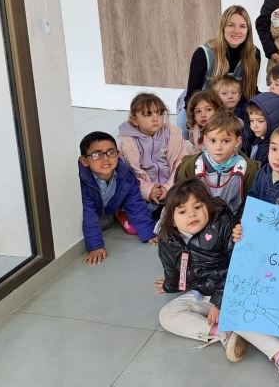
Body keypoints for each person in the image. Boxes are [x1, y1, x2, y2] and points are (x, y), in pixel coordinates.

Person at [156, 180, 279, 387]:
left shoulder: (223, 226)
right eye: (182, 211)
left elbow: (237, 267)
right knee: (167, 315)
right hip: (203, 292)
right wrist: (169, 285)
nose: (192, 215)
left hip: (234, 289)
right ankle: (223, 333)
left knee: (237, 315)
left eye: (198, 207)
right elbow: (174, 270)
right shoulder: (168, 240)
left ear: (208, 207)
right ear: (173, 220)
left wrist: (220, 303)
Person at [178, 5, 261, 139]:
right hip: (206, 105)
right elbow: (193, 95)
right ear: (223, 28)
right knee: (183, 123)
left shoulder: (254, 53)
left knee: (250, 126)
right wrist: (194, 123)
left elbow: (250, 90)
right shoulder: (203, 53)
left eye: (242, 26)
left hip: (235, 103)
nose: (237, 31)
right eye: (231, 25)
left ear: (248, 30)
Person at [78, 131, 157, 265]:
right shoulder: (82, 181)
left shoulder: (126, 174)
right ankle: (118, 213)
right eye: (97, 155)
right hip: (95, 213)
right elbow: (88, 214)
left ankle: (119, 211)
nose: (106, 159)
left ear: (118, 154)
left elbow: (136, 203)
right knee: (95, 223)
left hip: (110, 207)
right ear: (84, 161)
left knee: (145, 210)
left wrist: (148, 232)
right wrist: (95, 246)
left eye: (111, 152)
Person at [118, 93, 189, 215]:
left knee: (189, 201)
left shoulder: (173, 136)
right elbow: (127, 172)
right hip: (144, 189)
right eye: (148, 114)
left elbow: (181, 163)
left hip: (172, 186)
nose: (156, 118)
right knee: (137, 205)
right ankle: (124, 213)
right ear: (134, 119)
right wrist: (148, 189)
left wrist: (168, 187)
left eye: (160, 113)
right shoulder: (128, 143)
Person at [176, 112, 260, 215]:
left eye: (225, 141)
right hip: (198, 221)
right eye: (213, 141)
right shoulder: (190, 166)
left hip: (234, 223)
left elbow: (251, 204)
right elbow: (179, 200)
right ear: (205, 140)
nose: (218, 147)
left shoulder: (249, 169)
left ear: (237, 142)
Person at [240, 92, 279, 166]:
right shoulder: (251, 139)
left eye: (260, 121)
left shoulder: (276, 148)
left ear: (274, 120)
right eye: (251, 120)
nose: (254, 126)